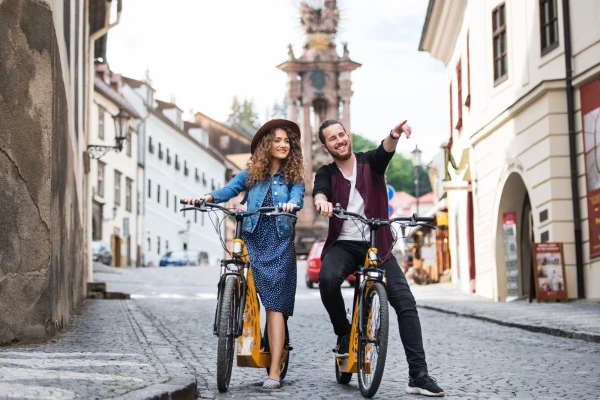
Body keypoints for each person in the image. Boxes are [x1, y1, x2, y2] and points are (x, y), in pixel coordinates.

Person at [312, 119, 445, 397]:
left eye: (342, 134)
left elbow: (384, 151)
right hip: (345, 245)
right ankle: (345, 331)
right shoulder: (326, 172)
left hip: (379, 243)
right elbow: (320, 190)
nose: (339, 140)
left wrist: (394, 135)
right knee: (327, 279)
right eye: (332, 139)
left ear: (348, 136)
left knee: (406, 303)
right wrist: (322, 201)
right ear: (326, 147)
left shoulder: (368, 162)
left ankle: (418, 375)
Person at [185, 119, 304, 389]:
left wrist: (290, 204)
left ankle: (274, 371)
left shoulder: (293, 177)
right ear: (266, 145)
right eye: (277, 140)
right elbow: (229, 189)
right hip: (251, 236)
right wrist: (206, 198)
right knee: (238, 271)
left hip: (279, 241)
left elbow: (298, 197)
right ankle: (234, 310)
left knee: (274, 306)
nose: (283, 145)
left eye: (287, 141)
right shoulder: (252, 173)